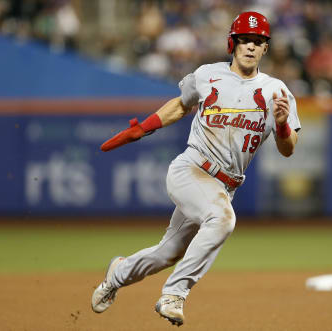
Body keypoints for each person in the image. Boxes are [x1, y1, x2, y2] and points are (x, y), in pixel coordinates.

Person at [91, 11, 300, 327]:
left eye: (258, 41)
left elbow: (288, 149)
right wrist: (144, 128)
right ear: (233, 42)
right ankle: (175, 293)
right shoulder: (207, 75)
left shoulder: (276, 92)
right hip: (192, 169)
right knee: (223, 219)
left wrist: (283, 126)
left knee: (168, 253)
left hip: (224, 186)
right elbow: (180, 104)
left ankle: (117, 274)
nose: (250, 46)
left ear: (265, 48)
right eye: (244, 39)